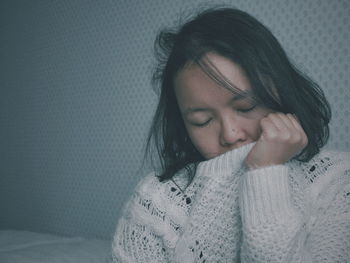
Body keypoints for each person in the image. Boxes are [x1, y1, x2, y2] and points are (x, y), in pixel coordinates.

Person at [111, 7, 350, 262]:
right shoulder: (157, 199)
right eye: (202, 121)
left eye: (246, 107)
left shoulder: (337, 181)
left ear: (282, 91)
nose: (230, 134)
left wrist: (265, 172)